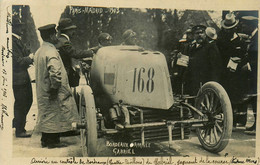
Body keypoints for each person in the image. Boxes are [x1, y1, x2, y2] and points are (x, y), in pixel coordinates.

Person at [34, 24, 79, 148]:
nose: (56, 37)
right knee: (54, 113)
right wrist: (55, 87)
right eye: (54, 34)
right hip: (52, 89)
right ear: (51, 36)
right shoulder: (51, 52)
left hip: (43, 89)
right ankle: (51, 141)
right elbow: (54, 72)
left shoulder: (39, 51)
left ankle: (46, 139)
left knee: (46, 113)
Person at [217, 13, 248, 128]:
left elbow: (245, 55)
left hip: (237, 74)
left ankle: (237, 120)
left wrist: (240, 60)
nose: (229, 30)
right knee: (225, 96)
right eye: (227, 29)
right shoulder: (220, 40)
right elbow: (218, 55)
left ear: (235, 27)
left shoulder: (240, 40)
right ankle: (226, 120)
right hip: (224, 73)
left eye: (231, 28)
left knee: (236, 96)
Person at [56, 18, 99, 87]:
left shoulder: (61, 40)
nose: (74, 32)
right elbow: (75, 53)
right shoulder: (64, 41)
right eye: (72, 29)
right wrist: (92, 51)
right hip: (64, 74)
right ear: (68, 30)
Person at [12, 17, 34, 138]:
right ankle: (20, 130)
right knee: (21, 103)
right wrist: (30, 58)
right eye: (20, 26)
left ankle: (18, 124)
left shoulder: (17, 40)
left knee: (27, 101)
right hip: (18, 79)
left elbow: (24, 54)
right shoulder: (11, 41)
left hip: (22, 78)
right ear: (14, 28)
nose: (22, 28)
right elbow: (18, 61)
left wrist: (28, 54)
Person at [186, 25, 222, 96]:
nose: (199, 35)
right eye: (197, 33)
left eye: (201, 32)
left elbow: (216, 68)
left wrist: (213, 86)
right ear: (193, 36)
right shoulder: (191, 49)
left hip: (206, 86)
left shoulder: (211, 47)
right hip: (193, 86)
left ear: (205, 34)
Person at [240, 16, 258, 135]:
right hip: (253, 74)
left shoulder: (257, 37)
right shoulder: (253, 36)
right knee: (254, 99)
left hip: (256, 73)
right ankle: (256, 124)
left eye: (244, 25)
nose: (243, 27)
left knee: (256, 99)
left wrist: (249, 65)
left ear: (251, 25)